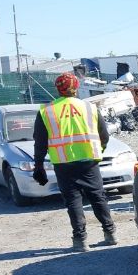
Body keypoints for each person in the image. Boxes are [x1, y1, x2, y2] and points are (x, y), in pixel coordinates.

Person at [32, 72, 117, 252]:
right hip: (89, 161)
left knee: (73, 201)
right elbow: (104, 136)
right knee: (97, 197)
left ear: (57, 89)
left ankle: (80, 240)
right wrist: (98, 152)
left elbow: (40, 143)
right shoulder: (90, 108)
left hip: (63, 164)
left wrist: (38, 166)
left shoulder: (46, 111)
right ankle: (110, 234)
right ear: (76, 87)